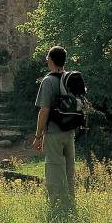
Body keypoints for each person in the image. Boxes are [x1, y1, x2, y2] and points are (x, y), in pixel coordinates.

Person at [32, 45, 75, 212]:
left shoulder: (48, 81)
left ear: (50, 60)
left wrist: (38, 136)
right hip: (70, 131)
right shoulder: (70, 78)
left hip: (54, 132)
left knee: (54, 168)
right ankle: (70, 202)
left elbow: (44, 111)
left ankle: (56, 206)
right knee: (68, 168)